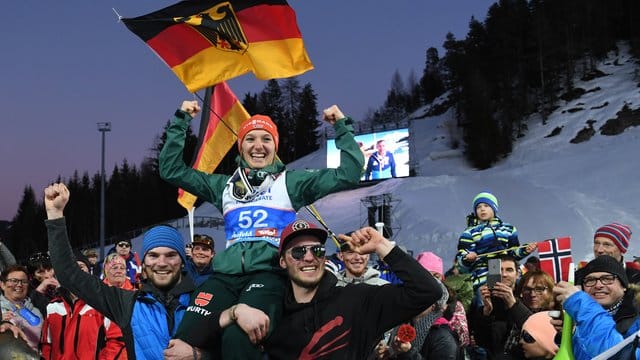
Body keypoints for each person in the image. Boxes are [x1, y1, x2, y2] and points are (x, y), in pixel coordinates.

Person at [161, 101, 364, 359]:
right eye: (250, 139)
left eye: (266, 138)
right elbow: (171, 170)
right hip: (224, 277)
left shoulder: (291, 182)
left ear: (275, 146)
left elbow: (350, 173)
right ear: (241, 146)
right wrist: (181, 120)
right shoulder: (223, 186)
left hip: (268, 275)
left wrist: (340, 126)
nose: (258, 145)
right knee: (182, 342)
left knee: (240, 336)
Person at [44, 183, 197, 360]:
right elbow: (69, 274)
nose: (161, 263)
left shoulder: (204, 299)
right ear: (144, 263)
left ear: (183, 261)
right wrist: (55, 217)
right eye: (153, 255)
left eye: (170, 255)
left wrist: (199, 355)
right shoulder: (126, 303)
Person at [40, 251, 127, 359]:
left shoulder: (103, 303)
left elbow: (116, 341)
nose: (75, 272)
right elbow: (46, 345)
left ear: (89, 272)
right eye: (70, 269)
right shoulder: (52, 307)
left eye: (81, 267)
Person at [552, 255, 640, 360]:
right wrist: (571, 334)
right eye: (590, 280)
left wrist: (581, 305)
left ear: (623, 286)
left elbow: (622, 355)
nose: (598, 285)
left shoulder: (637, 319)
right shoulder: (582, 318)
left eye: (607, 279)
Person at [457, 191, 536, 291]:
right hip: (484, 275)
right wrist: (467, 258)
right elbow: (461, 259)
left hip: (508, 274)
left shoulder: (508, 229)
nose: (482, 209)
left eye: (486, 205)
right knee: (490, 297)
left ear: (494, 208)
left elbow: (513, 252)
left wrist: (525, 250)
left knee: (522, 292)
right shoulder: (470, 232)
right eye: (478, 207)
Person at [470, 254, 526, 360]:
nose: (504, 274)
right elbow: (481, 342)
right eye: (500, 270)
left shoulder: (527, 295)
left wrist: (513, 303)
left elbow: (531, 327)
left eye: (509, 270)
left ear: (517, 274)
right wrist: (486, 312)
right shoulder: (486, 298)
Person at [0, 264, 43, 352]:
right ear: (2, 284)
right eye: (14, 281)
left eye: (24, 281)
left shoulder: (36, 312)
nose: (19, 285)